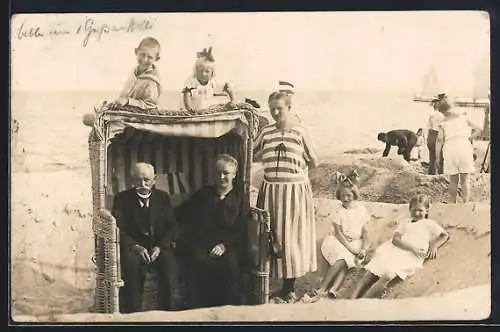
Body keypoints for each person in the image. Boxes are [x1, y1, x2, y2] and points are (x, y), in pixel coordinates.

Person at [254, 91, 319, 303]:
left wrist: (300, 182)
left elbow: (313, 161)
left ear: (290, 108)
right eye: (271, 108)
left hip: (294, 193)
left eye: (279, 108)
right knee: (272, 237)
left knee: (292, 238)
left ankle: (289, 289)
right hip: (271, 191)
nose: (274, 112)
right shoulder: (266, 133)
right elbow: (252, 152)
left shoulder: (300, 132)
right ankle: (273, 286)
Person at [176, 154, 250, 308]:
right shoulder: (203, 194)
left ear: (234, 175)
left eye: (226, 173)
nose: (221, 176)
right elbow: (183, 213)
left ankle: (228, 312)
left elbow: (242, 229)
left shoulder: (240, 199)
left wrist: (224, 246)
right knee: (198, 263)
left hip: (229, 246)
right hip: (201, 244)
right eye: (218, 173)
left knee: (230, 265)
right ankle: (199, 312)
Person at [350, 194, 449, 299]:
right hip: (394, 251)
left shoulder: (429, 224)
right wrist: (413, 248)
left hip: (409, 258)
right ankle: (351, 299)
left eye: (420, 210)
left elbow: (444, 235)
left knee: (387, 275)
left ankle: (363, 301)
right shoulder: (405, 222)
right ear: (410, 209)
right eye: (413, 210)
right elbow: (395, 240)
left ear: (427, 210)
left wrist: (434, 245)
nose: (416, 213)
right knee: (369, 274)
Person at [112, 162, 180, 313]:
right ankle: (133, 313)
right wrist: (135, 247)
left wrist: (160, 247)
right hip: (133, 249)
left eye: (147, 180)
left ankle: (168, 313)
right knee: (130, 266)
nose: (142, 184)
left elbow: (173, 227)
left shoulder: (163, 198)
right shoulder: (122, 199)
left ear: (154, 179)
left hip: (158, 247)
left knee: (170, 265)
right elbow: (118, 230)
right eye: (137, 180)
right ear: (131, 180)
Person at [307, 177, 370, 302]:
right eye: (342, 196)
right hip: (337, 241)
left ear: (354, 195)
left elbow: (366, 232)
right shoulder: (339, 211)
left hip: (355, 242)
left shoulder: (361, 210)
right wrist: (350, 248)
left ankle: (333, 289)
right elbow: (338, 233)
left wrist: (364, 249)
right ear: (339, 197)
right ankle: (322, 287)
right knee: (342, 258)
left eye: (348, 195)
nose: (345, 198)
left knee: (347, 261)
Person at [434, 94, 483, 203]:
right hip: (464, 145)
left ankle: (452, 202)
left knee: (453, 180)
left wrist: (437, 158)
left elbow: (439, 140)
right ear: (452, 106)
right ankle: (465, 203)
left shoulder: (442, 123)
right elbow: (479, 128)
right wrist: (470, 137)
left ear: (440, 111)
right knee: (465, 180)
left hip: (450, 147)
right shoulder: (464, 116)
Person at [109, 37, 162, 110]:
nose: (145, 59)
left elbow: (151, 105)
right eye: (142, 54)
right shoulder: (134, 72)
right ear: (136, 51)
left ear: (156, 59)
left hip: (141, 118)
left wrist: (128, 101)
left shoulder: (152, 81)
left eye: (150, 57)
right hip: (126, 113)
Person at [181, 47, 235, 113]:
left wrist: (233, 100)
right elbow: (187, 96)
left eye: (207, 71)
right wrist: (190, 109)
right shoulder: (192, 82)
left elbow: (228, 87)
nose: (203, 74)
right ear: (196, 70)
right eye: (200, 71)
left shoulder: (212, 82)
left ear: (212, 73)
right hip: (192, 111)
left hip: (208, 111)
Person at [427, 94, 446, 174]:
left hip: (430, 135)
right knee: (441, 158)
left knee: (432, 158)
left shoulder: (431, 114)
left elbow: (429, 126)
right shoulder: (441, 115)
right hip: (438, 135)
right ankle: (440, 175)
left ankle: (431, 174)